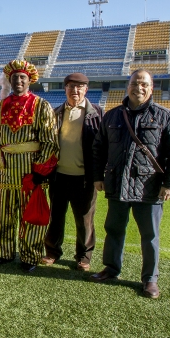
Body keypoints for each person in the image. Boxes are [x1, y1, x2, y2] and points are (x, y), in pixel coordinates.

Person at [91, 69, 170, 299]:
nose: (139, 88)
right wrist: (97, 176)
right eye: (135, 83)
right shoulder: (112, 116)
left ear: (151, 88)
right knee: (114, 230)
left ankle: (150, 279)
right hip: (116, 184)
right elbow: (99, 149)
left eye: (144, 84)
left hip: (149, 187)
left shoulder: (166, 117)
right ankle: (111, 268)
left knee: (149, 235)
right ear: (128, 86)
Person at [0, 60, 59, 272]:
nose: (18, 80)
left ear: (30, 80)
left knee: (31, 216)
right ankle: (4, 253)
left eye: (22, 77)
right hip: (6, 171)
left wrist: (40, 170)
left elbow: (49, 140)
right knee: (6, 214)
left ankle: (30, 256)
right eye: (15, 77)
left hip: (30, 172)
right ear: (10, 79)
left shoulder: (41, 106)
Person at [42, 73, 103, 271]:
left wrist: (99, 176)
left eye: (79, 87)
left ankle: (83, 256)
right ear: (65, 89)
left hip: (84, 179)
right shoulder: (55, 112)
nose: (74, 91)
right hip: (58, 176)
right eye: (70, 87)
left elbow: (104, 148)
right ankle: (52, 251)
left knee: (84, 219)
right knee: (56, 216)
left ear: (86, 90)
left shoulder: (98, 114)